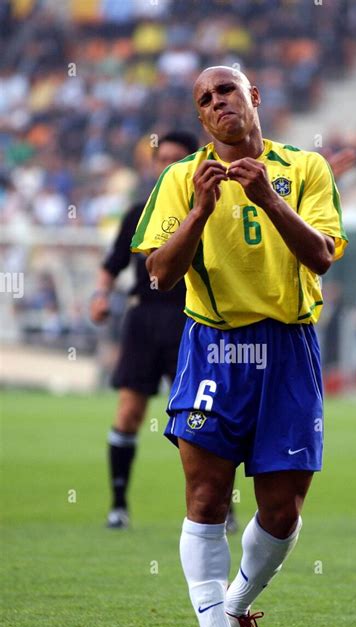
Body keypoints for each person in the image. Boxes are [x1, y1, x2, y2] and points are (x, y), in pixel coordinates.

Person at [132, 66, 348, 627]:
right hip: (215, 350)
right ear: (201, 119)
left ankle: (233, 610)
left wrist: (268, 198)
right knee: (205, 498)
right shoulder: (180, 178)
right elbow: (160, 274)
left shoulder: (305, 168)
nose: (217, 102)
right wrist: (201, 208)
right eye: (205, 99)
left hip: (288, 347)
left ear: (253, 96)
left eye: (226, 90)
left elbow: (322, 256)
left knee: (282, 510)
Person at [90, 131, 200, 529]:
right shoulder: (139, 213)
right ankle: (118, 505)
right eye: (161, 158)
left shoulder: (208, 210)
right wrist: (99, 297)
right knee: (130, 412)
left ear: (194, 164)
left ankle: (219, 506)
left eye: (177, 158)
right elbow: (112, 264)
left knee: (199, 419)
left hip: (192, 321)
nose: (167, 165)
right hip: (143, 320)